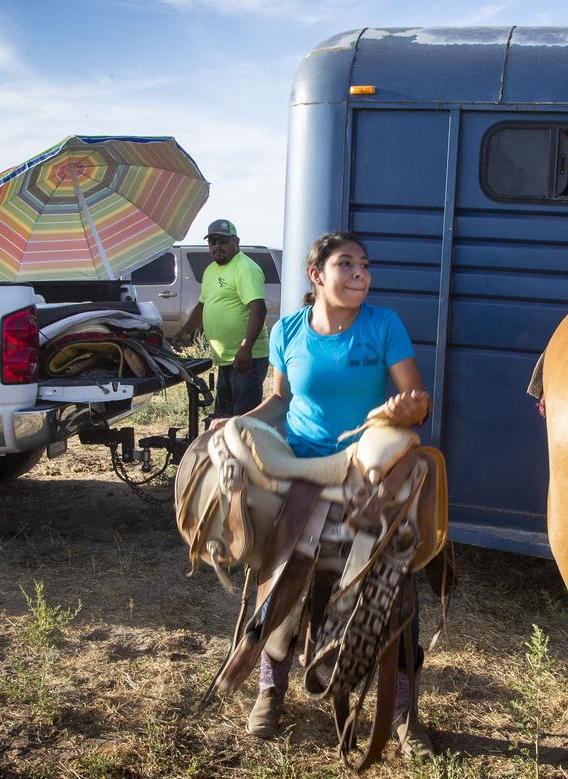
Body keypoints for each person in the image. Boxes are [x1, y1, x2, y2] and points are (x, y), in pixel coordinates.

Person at [237, 231, 434, 757]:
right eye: (346, 264)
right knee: (282, 576)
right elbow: (279, 400)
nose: (360, 274)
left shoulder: (383, 325)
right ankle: (270, 687)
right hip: (301, 464)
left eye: (365, 266)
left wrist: (408, 410)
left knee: (392, 579)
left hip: (365, 465)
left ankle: (401, 709)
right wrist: (238, 426)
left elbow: (415, 398)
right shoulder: (287, 331)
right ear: (316, 275)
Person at [173, 219, 269, 417]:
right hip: (225, 358)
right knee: (223, 419)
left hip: (246, 358)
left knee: (243, 421)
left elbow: (258, 310)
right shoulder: (210, 271)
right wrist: (185, 331)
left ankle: (245, 449)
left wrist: (246, 347)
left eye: (223, 241)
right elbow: (202, 306)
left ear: (236, 241)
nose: (217, 246)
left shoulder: (245, 268)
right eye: (212, 241)